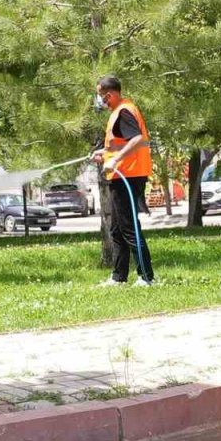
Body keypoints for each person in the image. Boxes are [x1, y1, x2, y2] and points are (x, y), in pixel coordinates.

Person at [91, 75, 155, 287]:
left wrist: (115, 159)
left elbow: (136, 139)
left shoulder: (124, 111)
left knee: (128, 228)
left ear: (110, 94)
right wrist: (105, 153)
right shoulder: (119, 111)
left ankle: (146, 277)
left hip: (129, 175)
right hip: (121, 174)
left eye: (102, 96)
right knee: (117, 229)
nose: (101, 101)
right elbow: (120, 143)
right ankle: (119, 277)